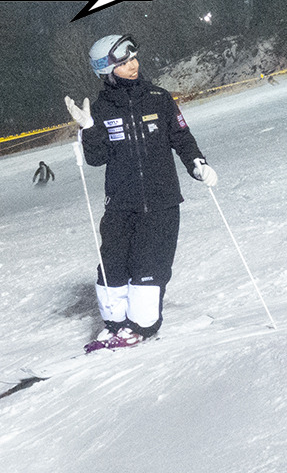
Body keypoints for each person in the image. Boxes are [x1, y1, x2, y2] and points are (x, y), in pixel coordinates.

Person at [65, 33, 216, 349]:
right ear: (107, 71)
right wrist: (89, 130)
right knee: (112, 264)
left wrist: (197, 164)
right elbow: (97, 158)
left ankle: (141, 326)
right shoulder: (101, 109)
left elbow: (181, 137)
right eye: (124, 63)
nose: (133, 65)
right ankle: (115, 324)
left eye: (134, 59)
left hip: (161, 201)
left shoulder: (159, 98)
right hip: (120, 203)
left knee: (149, 265)